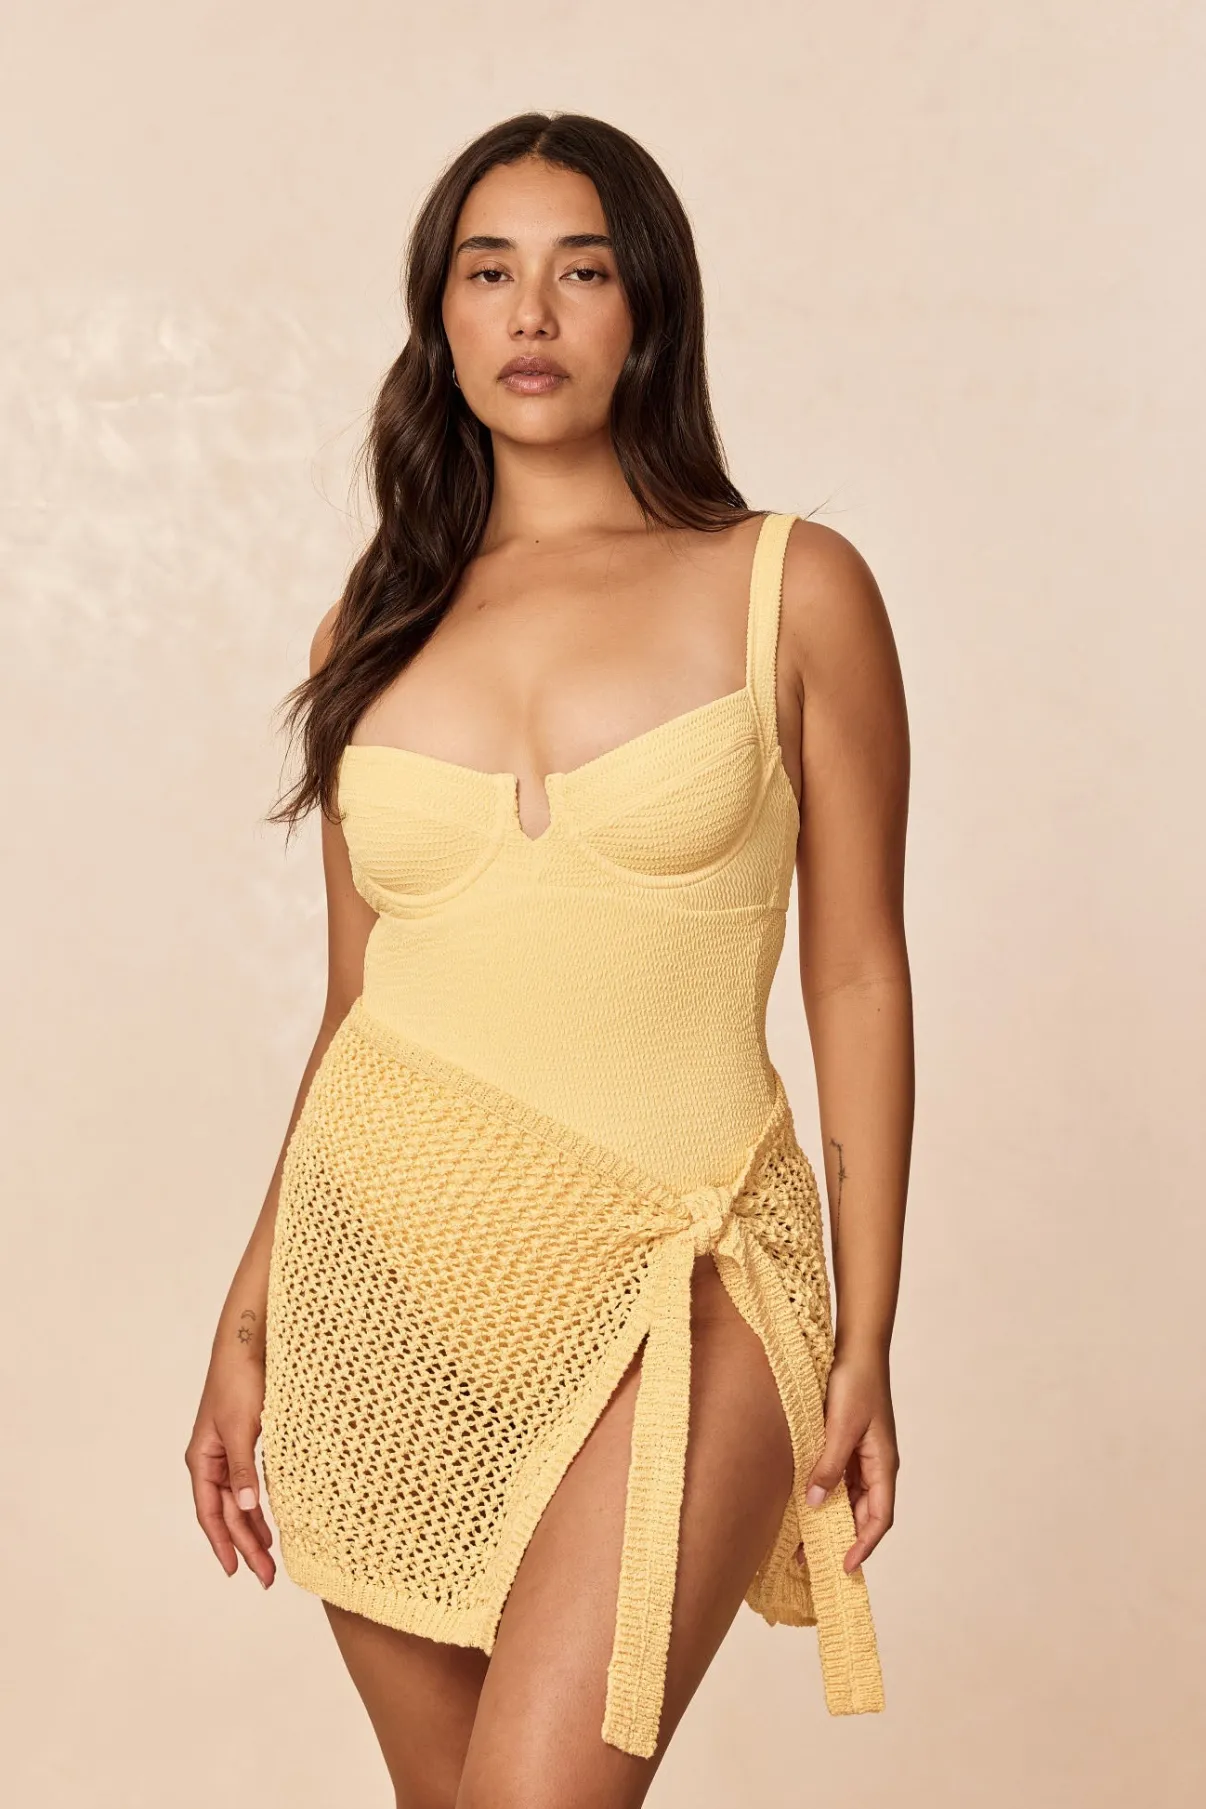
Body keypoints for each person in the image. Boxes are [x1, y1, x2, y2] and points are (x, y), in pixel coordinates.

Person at [186, 111, 913, 1809]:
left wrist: (867, 1328)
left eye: (580, 271)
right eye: (486, 272)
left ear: (647, 305)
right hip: (386, 1285)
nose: (530, 314)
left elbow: (858, 977)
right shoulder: (371, 628)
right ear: (437, 316)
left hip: (687, 1264)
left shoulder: (789, 587)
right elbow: (357, 1007)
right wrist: (249, 1312)